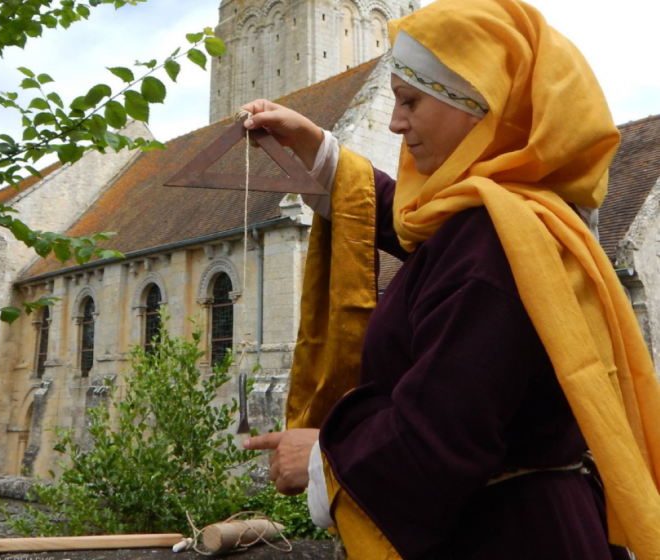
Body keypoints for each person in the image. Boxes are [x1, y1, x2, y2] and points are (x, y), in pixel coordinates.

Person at [239, 0, 660, 558]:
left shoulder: (498, 240)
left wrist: (323, 458)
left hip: (509, 536)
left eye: (411, 101)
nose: (395, 122)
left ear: (481, 105)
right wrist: (319, 151)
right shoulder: (502, 215)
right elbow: (419, 233)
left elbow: (440, 439)